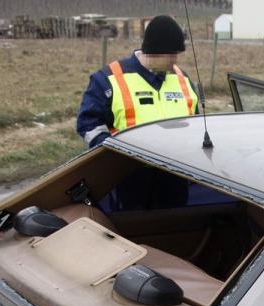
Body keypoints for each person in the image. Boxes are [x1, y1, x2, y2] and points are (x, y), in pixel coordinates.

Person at [75, 16, 199, 211]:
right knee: (134, 228)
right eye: (171, 54)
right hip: (130, 177)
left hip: (176, 175)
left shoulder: (183, 79)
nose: (175, 61)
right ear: (154, 51)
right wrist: (112, 155)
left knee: (175, 227)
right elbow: (88, 124)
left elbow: (196, 123)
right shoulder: (108, 79)